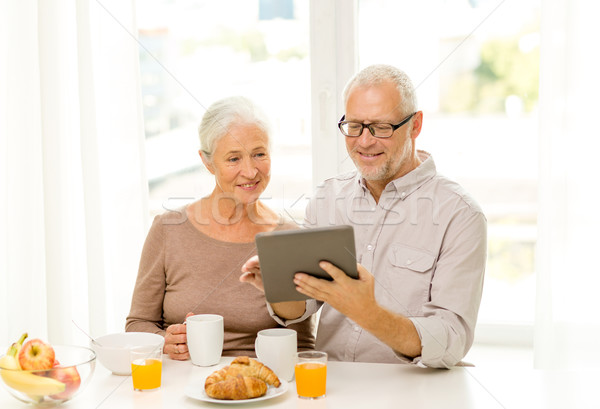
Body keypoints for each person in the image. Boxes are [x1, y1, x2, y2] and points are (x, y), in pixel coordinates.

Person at [241, 64, 486, 369]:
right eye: (354, 126)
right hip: (331, 387)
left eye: (382, 127)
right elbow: (300, 307)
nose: (365, 141)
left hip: (412, 393)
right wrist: (276, 287)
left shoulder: (460, 214)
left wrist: (368, 313)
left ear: (415, 125)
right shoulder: (328, 197)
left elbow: (452, 340)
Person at [126, 96, 315, 360]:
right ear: (207, 161)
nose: (250, 171)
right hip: (182, 385)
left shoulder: (290, 238)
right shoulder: (167, 230)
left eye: (259, 154)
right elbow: (138, 324)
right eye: (233, 159)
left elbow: (303, 346)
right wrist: (164, 343)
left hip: (259, 386)